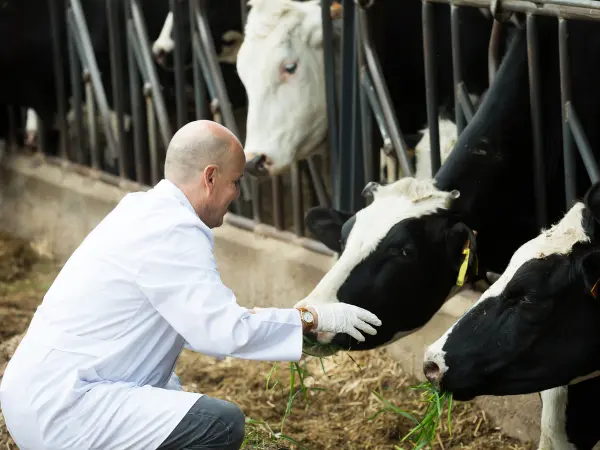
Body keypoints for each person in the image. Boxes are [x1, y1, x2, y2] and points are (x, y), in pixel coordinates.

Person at [0, 120, 382, 450]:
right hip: (65, 408)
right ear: (210, 177)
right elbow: (219, 331)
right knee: (219, 423)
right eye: (235, 182)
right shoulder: (173, 231)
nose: (236, 194)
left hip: (37, 392)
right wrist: (311, 319)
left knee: (174, 397)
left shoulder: (143, 211)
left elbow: (195, 328)